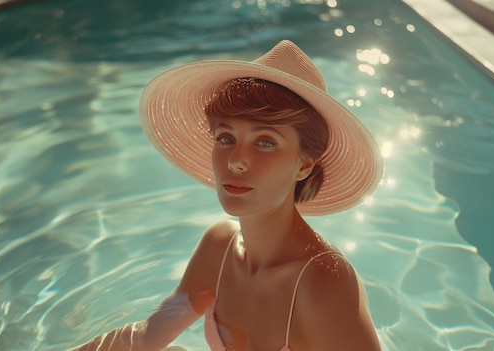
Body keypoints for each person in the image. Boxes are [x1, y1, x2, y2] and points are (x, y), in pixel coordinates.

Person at [71, 40, 384, 351]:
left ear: (303, 164)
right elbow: (148, 337)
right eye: (226, 137)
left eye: (265, 142)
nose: (236, 160)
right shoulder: (219, 248)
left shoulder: (323, 282)